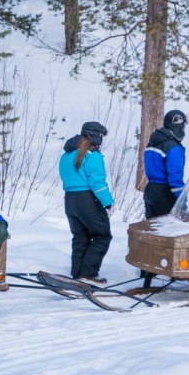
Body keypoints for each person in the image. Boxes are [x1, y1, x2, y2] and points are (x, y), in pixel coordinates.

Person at [59, 120, 114, 284]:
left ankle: (77, 274)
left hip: (70, 200)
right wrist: (108, 202)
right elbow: (97, 182)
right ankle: (88, 275)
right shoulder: (92, 155)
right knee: (102, 236)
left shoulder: (66, 155)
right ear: (96, 137)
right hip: (87, 200)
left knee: (80, 237)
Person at [142, 109, 189, 219]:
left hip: (150, 190)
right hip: (165, 193)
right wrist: (182, 201)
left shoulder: (153, 143)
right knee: (171, 230)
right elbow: (175, 178)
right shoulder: (174, 148)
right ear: (179, 126)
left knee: (152, 229)